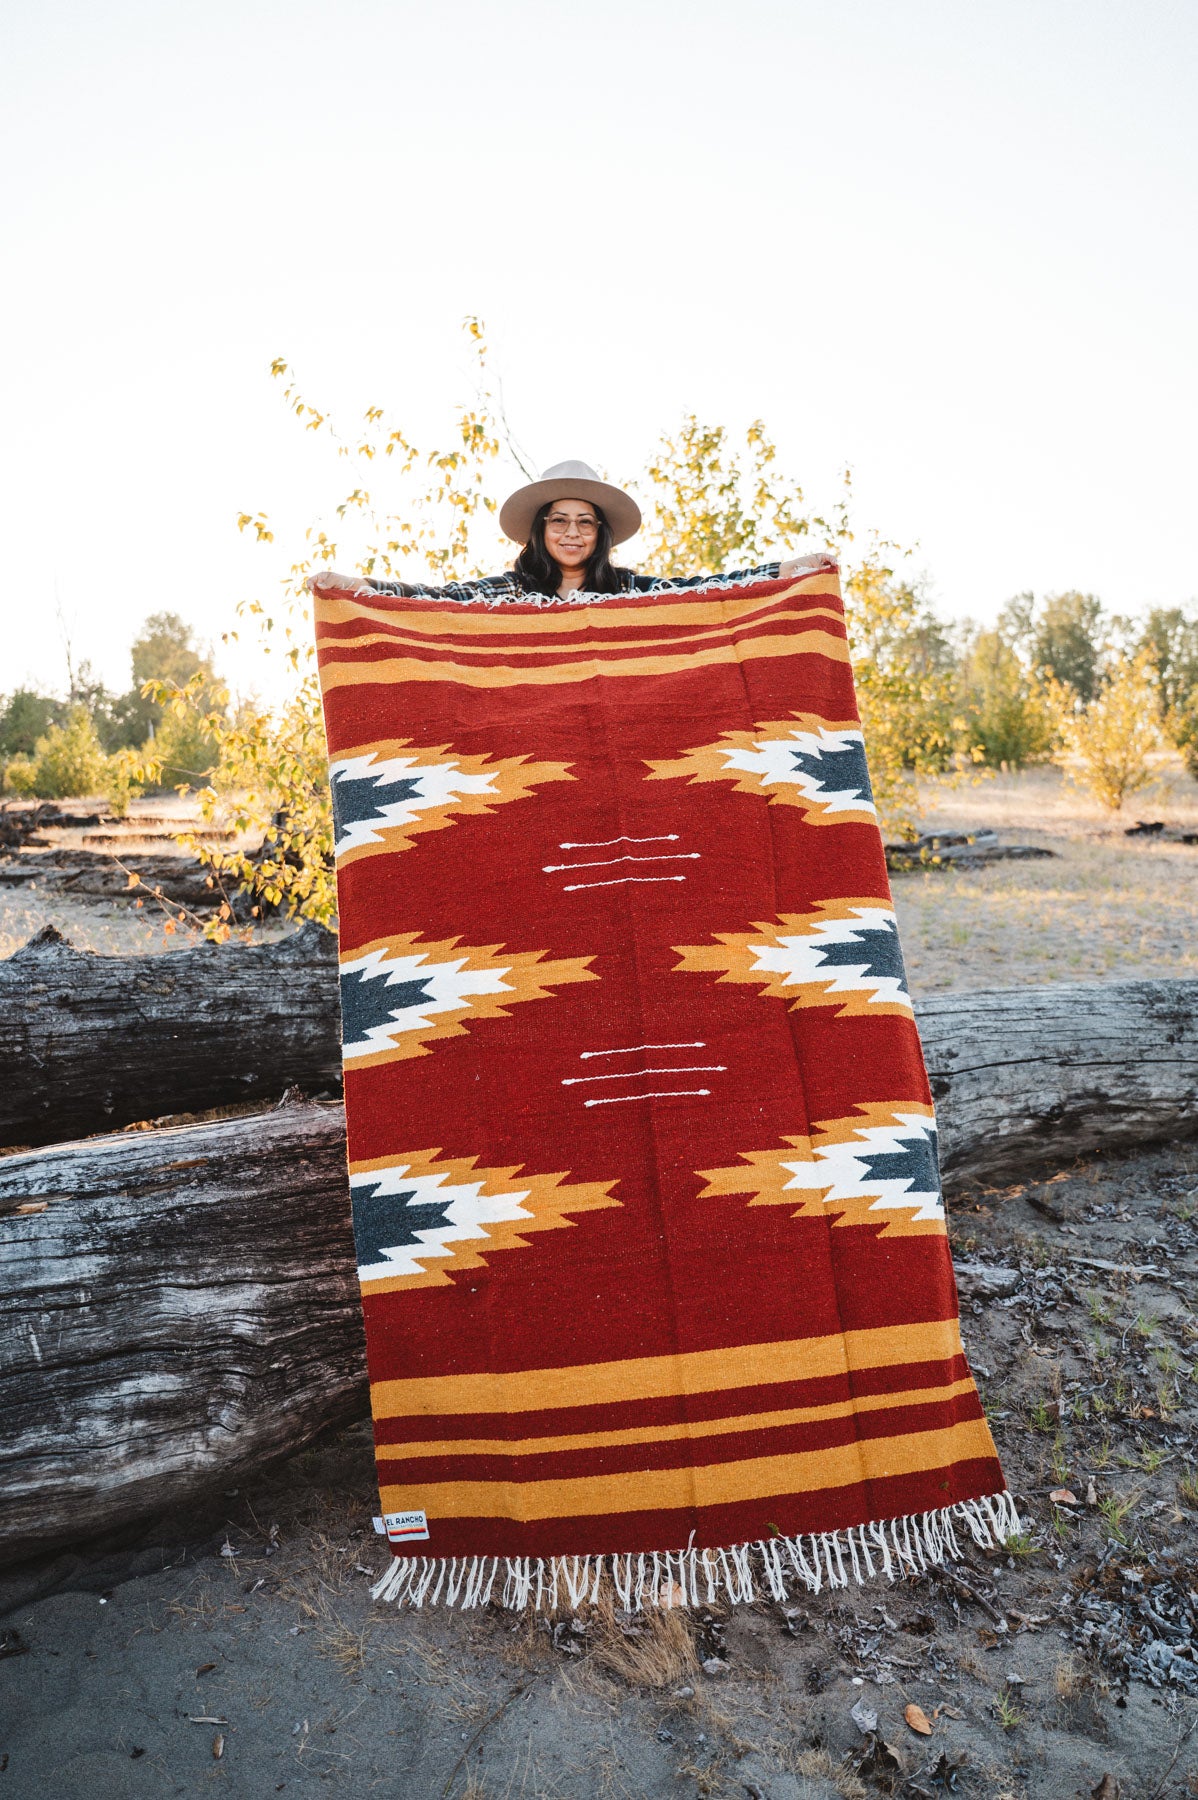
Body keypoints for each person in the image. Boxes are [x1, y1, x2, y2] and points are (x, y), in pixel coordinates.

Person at [307, 459, 835, 606]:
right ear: (538, 531)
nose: (572, 532)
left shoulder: (629, 591)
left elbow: (704, 590)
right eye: (558, 520)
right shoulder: (507, 592)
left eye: (585, 522)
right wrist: (363, 588)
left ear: (600, 533)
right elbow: (440, 599)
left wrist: (782, 573)